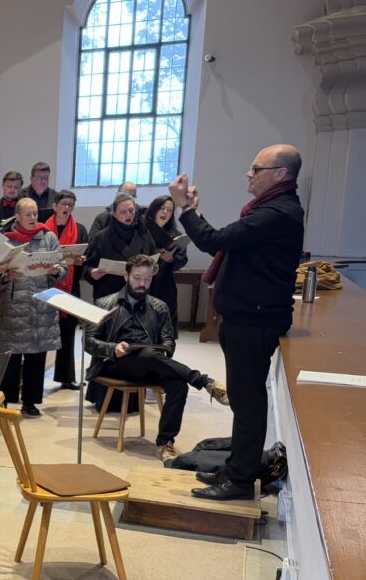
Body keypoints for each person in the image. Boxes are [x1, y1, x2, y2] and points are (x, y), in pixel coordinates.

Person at [170, 145, 305, 500]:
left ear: (280, 174)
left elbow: (214, 240)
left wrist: (186, 208)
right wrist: (194, 210)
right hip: (247, 318)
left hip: (254, 321)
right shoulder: (271, 209)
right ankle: (236, 470)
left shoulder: (278, 212)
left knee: (247, 404)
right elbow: (226, 239)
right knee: (246, 402)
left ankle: (241, 481)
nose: (249, 173)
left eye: (256, 168)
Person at [84, 255, 229, 460]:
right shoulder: (104, 303)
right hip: (115, 363)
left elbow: (169, 340)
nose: (142, 284)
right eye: (137, 278)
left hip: (151, 362)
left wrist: (163, 350)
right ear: (125, 276)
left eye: (147, 279)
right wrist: (113, 348)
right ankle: (204, 381)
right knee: (148, 354)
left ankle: (165, 443)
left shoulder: (159, 306)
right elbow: (89, 342)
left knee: (178, 384)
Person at [0, 198, 66, 416]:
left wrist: (55, 271)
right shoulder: (5, 240)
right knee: (11, 356)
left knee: (37, 355)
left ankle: (30, 402)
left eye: (35, 214)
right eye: (28, 214)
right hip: (15, 306)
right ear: (17, 216)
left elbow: (63, 268)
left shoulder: (48, 236)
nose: (33, 218)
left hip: (41, 305)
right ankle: (6, 400)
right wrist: (5, 277)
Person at [45, 189, 87, 390]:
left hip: (70, 286)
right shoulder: (43, 229)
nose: (67, 207)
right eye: (64, 204)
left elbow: (87, 259)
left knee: (68, 333)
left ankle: (66, 377)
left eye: (71, 204)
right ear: (55, 206)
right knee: (42, 333)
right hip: (46, 285)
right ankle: (33, 376)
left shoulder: (79, 229)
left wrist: (81, 261)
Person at [81, 192, 157, 301]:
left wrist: (154, 268)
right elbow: (87, 267)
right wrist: (92, 273)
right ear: (114, 214)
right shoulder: (101, 237)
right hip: (108, 295)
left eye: (131, 211)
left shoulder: (144, 234)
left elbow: (154, 260)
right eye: (123, 212)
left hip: (138, 292)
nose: (128, 215)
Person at [142, 195, 190, 334]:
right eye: (162, 208)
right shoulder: (142, 231)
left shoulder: (175, 234)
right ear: (154, 210)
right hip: (142, 282)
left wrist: (170, 259)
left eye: (169, 210)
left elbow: (182, 258)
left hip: (164, 284)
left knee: (164, 327)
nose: (165, 213)